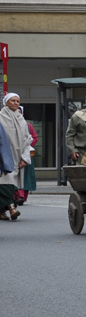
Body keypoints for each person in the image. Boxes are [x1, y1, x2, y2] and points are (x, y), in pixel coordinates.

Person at [0, 92, 32, 221]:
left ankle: (2, 210)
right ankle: (11, 207)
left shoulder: (21, 118)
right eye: (12, 101)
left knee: (10, 183)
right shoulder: (1, 117)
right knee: (5, 182)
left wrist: (25, 157)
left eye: (17, 101)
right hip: (3, 157)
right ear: (6, 102)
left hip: (17, 156)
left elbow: (27, 139)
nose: (15, 103)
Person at [14, 114, 38, 206]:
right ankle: (16, 196)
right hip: (13, 153)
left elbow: (34, 138)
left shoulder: (27, 126)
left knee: (25, 176)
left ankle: (22, 196)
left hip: (25, 153)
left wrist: (26, 147)